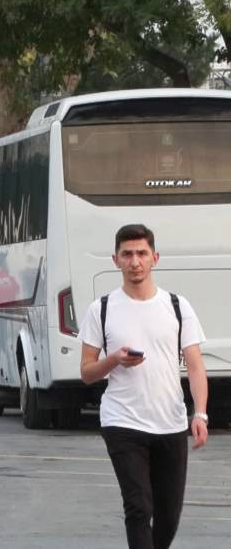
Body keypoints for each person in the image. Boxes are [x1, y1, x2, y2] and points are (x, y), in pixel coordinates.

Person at [78, 224, 208, 549]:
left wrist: (200, 414)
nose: (135, 261)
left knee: (168, 515)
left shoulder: (178, 306)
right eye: (127, 254)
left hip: (170, 422)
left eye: (141, 253)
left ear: (155, 258)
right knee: (138, 507)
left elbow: (194, 366)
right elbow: (87, 372)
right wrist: (114, 361)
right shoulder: (102, 309)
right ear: (116, 260)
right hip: (122, 421)